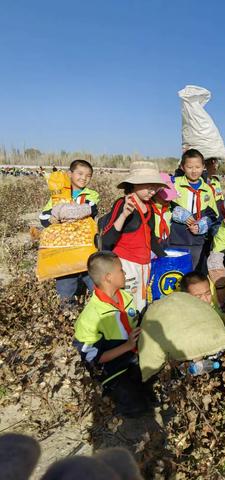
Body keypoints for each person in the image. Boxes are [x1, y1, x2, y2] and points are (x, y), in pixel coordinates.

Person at [73, 251, 152, 418]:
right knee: (137, 408)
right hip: (112, 369)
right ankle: (111, 392)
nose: (125, 274)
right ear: (108, 277)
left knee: (152, 394)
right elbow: (92, 358)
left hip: (133, 357)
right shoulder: (90, 317)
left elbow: (134, 323)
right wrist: (127, 346)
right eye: (121, 270)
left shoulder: (125, 296)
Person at [99, 161, 168, 312]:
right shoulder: (122, 204)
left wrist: (165, 258)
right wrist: (123, 215)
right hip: (126, 267)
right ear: (134, 184)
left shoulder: (149, 207)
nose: (153, 191)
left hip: (144, 265)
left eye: (155, 186)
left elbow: (150, 237)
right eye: (149, 186)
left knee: (142, 304)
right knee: (127, 305)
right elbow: (107, 240)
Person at [39, 159, 100, 303]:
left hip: (85, 249)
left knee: (95, 283)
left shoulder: (91, 195)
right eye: (79, 173)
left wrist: (60, 213)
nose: (83, 178)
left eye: (88, 175)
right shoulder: (56, 194)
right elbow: (43, 217)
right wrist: (60, 214)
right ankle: (68, 317)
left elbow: (91, 209)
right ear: (69, 174)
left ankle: (100, 313)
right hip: (64, 251)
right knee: (66, 288)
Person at [169, 149, 219, 271]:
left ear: (203, 167)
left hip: (198, 242)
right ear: (182, 167)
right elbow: (163, 205)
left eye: (197, 167)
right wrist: (176, 212)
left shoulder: (208, 189)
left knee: (193, 274)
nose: (194, 170)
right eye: (189, 167)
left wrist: (204, 224)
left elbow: (213, 215)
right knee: (175, 273)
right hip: (176, 239)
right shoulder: (174, 184)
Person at [152, 172, 178, 243]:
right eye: (164, 197)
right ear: (154, 194)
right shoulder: (147, 209)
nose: (168, 200)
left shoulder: (173, 209)